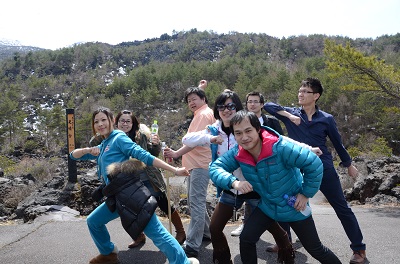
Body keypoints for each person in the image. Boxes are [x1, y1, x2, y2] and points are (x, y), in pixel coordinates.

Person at [209, 110, 342, 264]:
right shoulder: (238, 153)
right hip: (268, 205)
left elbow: (314, 163)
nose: (244, 137)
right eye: (238, 133)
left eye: (248, 131)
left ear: (258, 129)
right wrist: (234, 182)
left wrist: (305, 194)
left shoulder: (280, 147)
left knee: (315, 249)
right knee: (246, 238)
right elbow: (215, 168)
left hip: (294, 206)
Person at [70, 107, 198, 264]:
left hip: (132, 196)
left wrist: (175, 169)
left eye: (104, 120)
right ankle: (108, 253)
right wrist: (88, 150)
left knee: (157, 233)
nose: (100, 124)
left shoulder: (118, 138)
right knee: (93, 221)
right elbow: (73, 155)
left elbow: (144, 155)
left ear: (112, 121)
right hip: (117, 198)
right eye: (96, 121)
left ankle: (182, 262)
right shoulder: (104, 144)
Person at [181, 90, 295, 264]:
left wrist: (307, 150)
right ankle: (223, 259)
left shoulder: (244, 127)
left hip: (255, 185)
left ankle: (286, 250)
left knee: (271, 225)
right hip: (231, 186)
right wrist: (210, 138)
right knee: (215, 227)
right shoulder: (214, 129)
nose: (226, 110)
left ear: (237, 107)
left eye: (230, 106)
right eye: (221, 106)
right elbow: (187, 139)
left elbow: (279, 141)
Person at [264, 77, 367, 264]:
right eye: (300, 91)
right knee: (287, 203)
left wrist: (348, 164)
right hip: (296, 168)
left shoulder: (326, 119)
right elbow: (268, 106)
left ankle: (359, 249)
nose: (300, 94)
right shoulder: (292, 113)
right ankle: (284, 242)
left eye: (305, 91)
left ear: (316, 96)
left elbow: (338, 143)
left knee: (341, 207)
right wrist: (289, 116)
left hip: (323, 167)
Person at [114, 110, 187, 248]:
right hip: (128, 180)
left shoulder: (141, 135)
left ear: (133, 123)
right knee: (132, 209)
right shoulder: (114, 138)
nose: (125, 124)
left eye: (128, 121)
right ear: (117, 123)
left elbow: (153, 154)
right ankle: (139, 236)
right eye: (122, 121)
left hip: (148, 176)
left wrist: (155, 144)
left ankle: (181, 232)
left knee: (163, 203)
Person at [231, 91, 290, 248]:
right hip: (251, 169)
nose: (252, 104)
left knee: (280, 202)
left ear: (262, 104)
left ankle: (285, 241)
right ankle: (248, 228)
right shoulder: (241, 121)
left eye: (256, 101)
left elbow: (282, 142)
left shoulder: (271, 121)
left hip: (272, 169)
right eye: (249, 101)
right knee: (251, 201)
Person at [163, 86, 216, 258]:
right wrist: (199, 88)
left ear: (203, 99)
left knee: (196, 203)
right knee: (197, 202)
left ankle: (192, 245)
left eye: (194, 99)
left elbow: (195, 141)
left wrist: (176, 153)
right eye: (188, 100)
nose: (191, 103)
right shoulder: (203, 113)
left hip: (200, 165)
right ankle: (206, 233)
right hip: (197, 164)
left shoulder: (202, 115)